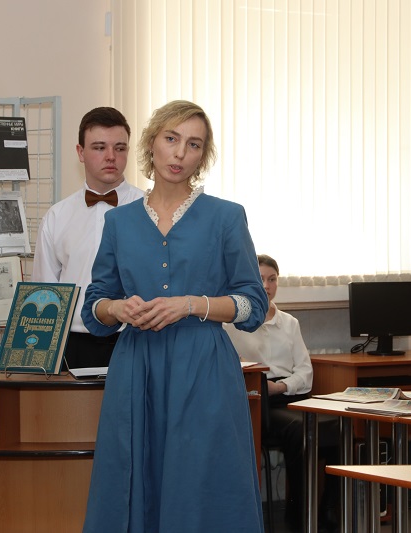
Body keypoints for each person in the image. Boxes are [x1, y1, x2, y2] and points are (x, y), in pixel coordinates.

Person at [81, 100, 269, 533]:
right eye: (171, 139)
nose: (180, 152)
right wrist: (117, 308)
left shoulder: (226, 217)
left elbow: (252, 305)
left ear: (203, 156)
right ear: (152, 143)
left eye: (194, 144)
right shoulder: (119, 222)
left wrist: (191, 304)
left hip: (203, 369)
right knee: (134, 477)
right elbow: (95, 304)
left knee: (201, 480)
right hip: (137, 369)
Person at [223, 254, 337, 531]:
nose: (266, 285)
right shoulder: (231, 323)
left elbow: (305, 374)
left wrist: (282, 386)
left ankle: (328, 512)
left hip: (291, 395)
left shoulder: (289, 322)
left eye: (272, 279)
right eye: (260, 278)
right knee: (300, 430)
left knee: (338, 426)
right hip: (258, 402)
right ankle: (298, 519)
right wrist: (267, 386)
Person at [32, 107, 144, 369]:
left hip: (136, 338)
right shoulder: (56, 216)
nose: (111, 156)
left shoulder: (150, 210)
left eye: (119, 148)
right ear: (80, 152)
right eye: (99, 147)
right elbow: (44, 292)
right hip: (72, 344)